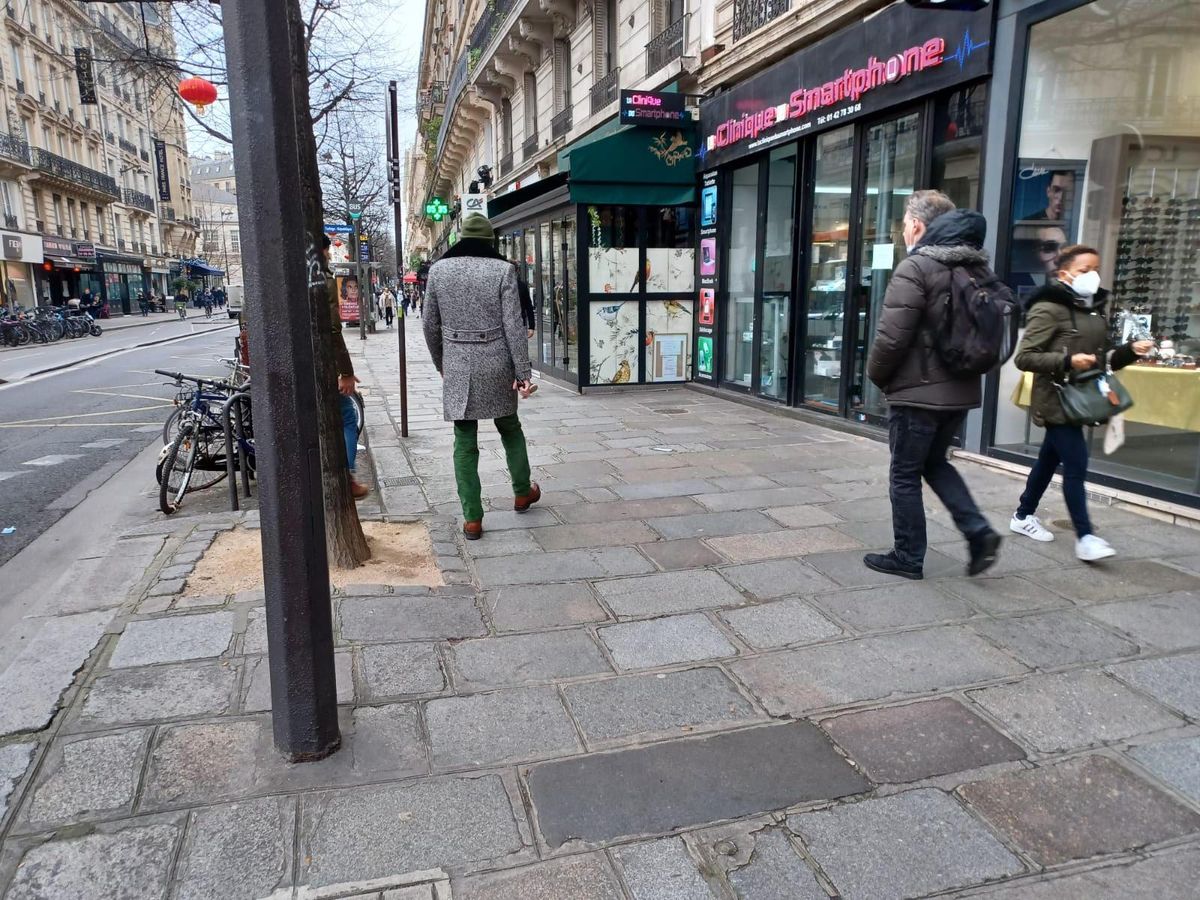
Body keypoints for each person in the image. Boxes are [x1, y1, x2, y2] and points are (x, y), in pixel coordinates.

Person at [864, 190, 1002, 580]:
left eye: (905, 223)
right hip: (960, 392)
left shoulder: (917, 267)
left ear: (917, 225)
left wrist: (877, 377)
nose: (904, 230)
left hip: (917, 393)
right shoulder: (976, 268)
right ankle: (978, 531)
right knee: (935, 462)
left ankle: (908, 556)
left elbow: (892, 338)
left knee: (904, 473)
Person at [1009, 244, 1154, 561]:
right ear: (1064, 274)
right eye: (1084, 270)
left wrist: (1131, 350)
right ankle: (1086, 536)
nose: (1092, 276)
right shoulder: (1048, 308)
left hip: (1083, 396)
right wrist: (1067, 361)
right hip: (1057, 399)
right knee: (1076, 464)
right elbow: (1024, 357)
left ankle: (1022, 515)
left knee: (1048, 460)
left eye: (1096, 269)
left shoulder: (1093, 309)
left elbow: (1103, 360)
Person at [424, 214, 538, 540]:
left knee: (464, 438)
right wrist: (522, 372)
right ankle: (522, 492)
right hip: (497, 361)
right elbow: (514, 326)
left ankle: (472, 518)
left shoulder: (439, 271)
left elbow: (429, 324)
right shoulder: (502, 270)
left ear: (461, 238)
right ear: (490, 241)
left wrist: (441, 362)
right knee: (510, 427)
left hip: (458, 364)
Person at [321, 237, 369, 500]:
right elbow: (331, 327)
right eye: (327, 250)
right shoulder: (321, 276)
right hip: (320, 363)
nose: (329, 255)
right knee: (348, 417)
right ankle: (346, 479)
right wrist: (345, 372)